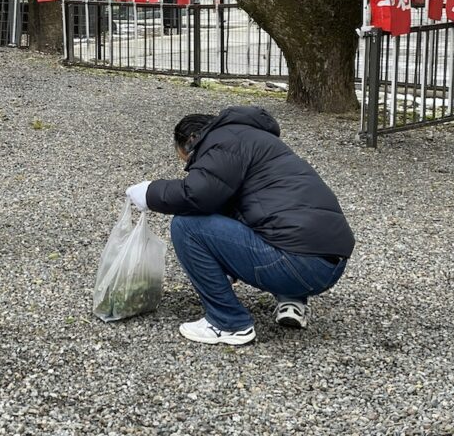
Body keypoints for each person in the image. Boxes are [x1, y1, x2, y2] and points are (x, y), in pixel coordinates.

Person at [125, 106, 354, 346]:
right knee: (273, 220)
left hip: (296, 265)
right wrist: (226, 264)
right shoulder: (253, 139)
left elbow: (197, 195)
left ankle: (228, 322)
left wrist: (150, 192)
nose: (191, 166)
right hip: (330, 265)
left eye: (189, 159)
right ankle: (292, 300)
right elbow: (242, 210)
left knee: (186, 225)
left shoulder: (222, 142)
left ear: (192, 140)